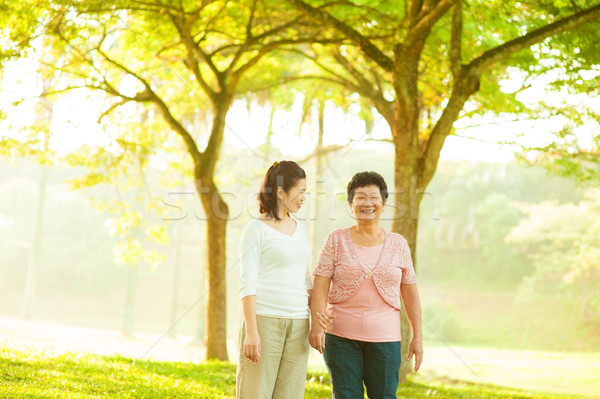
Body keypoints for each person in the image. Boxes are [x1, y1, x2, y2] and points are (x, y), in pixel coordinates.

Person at [309, 171, 423, 399]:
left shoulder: (398, 244)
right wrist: (316, 323)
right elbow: (320, 284)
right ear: (350, 204)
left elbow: (410, 292)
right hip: (340, 337)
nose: (367, 203)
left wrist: (417, 336)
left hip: (386, 340)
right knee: (346, 395)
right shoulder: (336, 239)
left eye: (373, 197)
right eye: (360, 197)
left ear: (384, 203)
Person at [236, 160, 313, 399]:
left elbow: (306, 279)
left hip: (299, 324)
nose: (303, 197)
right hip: (264, 321)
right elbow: (247, 281)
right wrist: (252, 331)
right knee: (255, 394)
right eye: (300, 191)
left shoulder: (301, 228)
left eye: (305, 192)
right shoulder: (255, 229)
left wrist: (319, 314)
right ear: (281, 192)